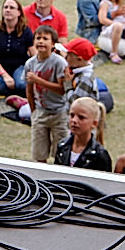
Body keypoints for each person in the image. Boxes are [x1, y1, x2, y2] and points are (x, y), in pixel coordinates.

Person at [25, 25, 70, 163]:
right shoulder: (30, 64)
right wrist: (33, 111)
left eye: (45, 38)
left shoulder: (59, 63)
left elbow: (62, 89)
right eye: (38, 38)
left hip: (59, 113)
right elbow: (29, 90)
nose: (41, 41)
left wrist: (39, 80)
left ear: (53, 44)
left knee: (61, 153)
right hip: (40, 113)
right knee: (39, 153)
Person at [0, 0, 33, 97]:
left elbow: (34, 54)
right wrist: (4, 75)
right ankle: (17, 92)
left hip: (20, 66)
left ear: (19, 12)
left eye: (12, 8)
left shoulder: (26, 31)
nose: (8, 10)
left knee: (21, 84)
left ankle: (18, 89)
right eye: (5, 7)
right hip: (1, 67)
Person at [54, 98, 111, 171]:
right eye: (72, 115)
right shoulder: (62, 146)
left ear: (94, 123)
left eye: (81, 117)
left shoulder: (100, 155)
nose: (74, 120)